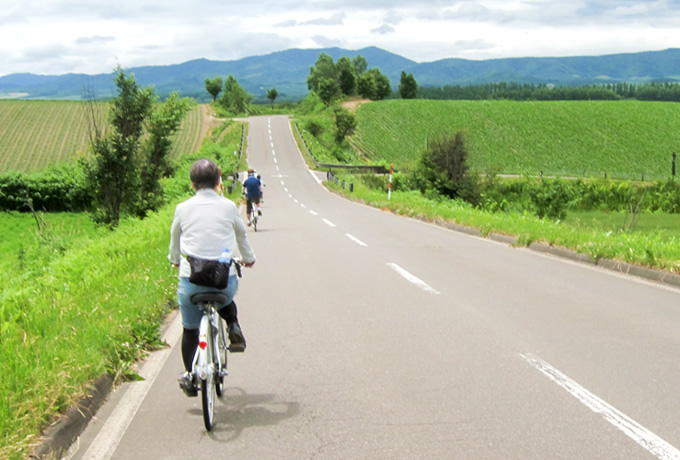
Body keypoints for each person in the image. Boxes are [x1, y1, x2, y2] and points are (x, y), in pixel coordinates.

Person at [168, 159, 256, 397]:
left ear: (192, 184)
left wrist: (175, 259)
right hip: (222, 281)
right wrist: (248, 258)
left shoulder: (182, 208)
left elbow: (174, 239)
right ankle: (233, 324)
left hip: (191, 283)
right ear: (219, 180)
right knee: (226, 299)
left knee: (190, 329)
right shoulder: (228, 207)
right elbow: (241, 236)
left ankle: (190, 375)